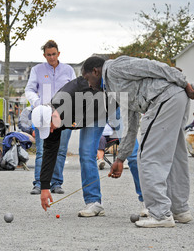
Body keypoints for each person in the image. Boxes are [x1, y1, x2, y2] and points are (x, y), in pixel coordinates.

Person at [81, 55, 194, 228]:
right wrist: (120, 158)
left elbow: (151, 66)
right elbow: (131, 124)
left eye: (87, 79)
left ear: (95, 71)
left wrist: (183, 82)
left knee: (148, 157)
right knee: (174, 155)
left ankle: (160, 214)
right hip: (174, 98)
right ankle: (180, 210)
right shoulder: (114, 87)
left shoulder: (114, 69)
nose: (89, 84)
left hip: (164, 99)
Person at [34, 76, 146, 217]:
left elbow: (95, 80)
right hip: (93, 116)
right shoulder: (53, 126)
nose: (50, 132)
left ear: (52, 115)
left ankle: (147, 201)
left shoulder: (70, 95)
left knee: (132, 152)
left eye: (49, 127)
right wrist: (44, 187)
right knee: (86, 153)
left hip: (112, 103)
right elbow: (49, 153)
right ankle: (94, 202)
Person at [25, 40, 76, 195]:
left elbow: (75, 90)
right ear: (44, 55)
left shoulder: (68, 70)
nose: (52, 57)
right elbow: (30, 89)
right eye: (48, 55)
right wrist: (37, 103)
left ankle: (56, 183)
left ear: (58, 53)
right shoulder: (37, 70)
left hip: (64, 115)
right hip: (44, 114)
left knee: (61, 150)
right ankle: (39, 183)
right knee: (41, 150)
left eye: (54, 54)